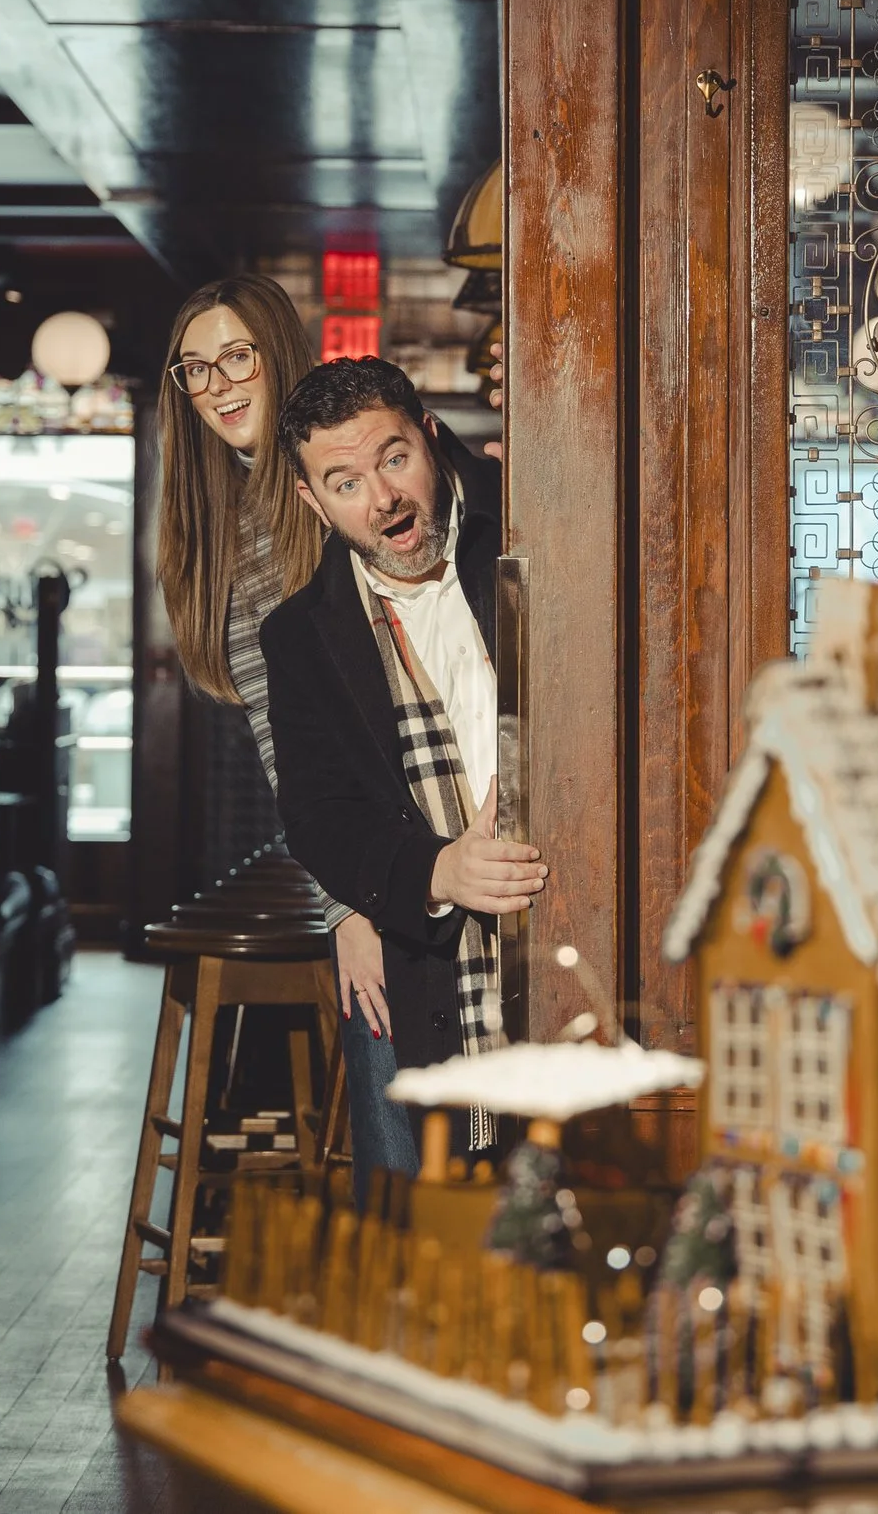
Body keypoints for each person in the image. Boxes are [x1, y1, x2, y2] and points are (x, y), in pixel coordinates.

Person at [260, 357, 546, 1200]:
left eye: (392, 459)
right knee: (419, 1226)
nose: (381, 498)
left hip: (575, 931)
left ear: (430, 438)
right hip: (421, 957)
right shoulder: (302, 636)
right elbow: (318, 814)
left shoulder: (526, 536)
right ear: (314, 502)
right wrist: (436, 871)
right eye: (344, 481)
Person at [149, 277, 417, 1178]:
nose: (219, 384)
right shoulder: (229, 517)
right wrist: (348, 900)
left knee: (427, 1146)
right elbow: (286, 742)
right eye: (196, 368)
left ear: (275, 352)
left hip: (431, 832)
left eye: (236, 356)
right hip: (378, 855)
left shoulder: (332, 480)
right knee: (403, 1152)